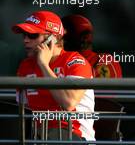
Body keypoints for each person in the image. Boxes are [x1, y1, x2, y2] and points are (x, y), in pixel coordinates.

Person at [12, 10, 95, 141]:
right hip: (38, 136)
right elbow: (23, 110)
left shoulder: (76, 62)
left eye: (32, 35)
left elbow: (69, 103)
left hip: (74, 136)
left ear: (52, 38)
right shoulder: (25, 66)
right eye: (24, 35)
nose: (26, 40)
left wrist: (44, 66)